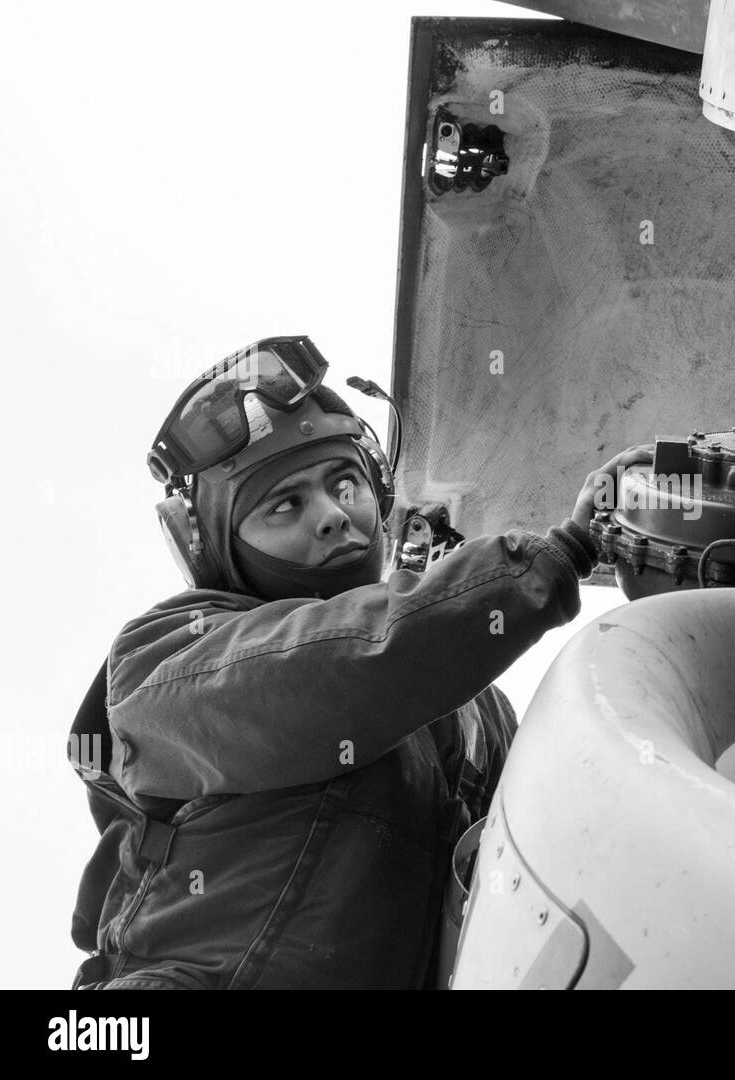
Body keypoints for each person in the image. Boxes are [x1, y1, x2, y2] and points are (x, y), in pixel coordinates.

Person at [67, 334, 650, 989]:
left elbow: (558, 849)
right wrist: (558, 554)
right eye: (284, 504)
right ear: (213, 550)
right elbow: (336, 667)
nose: (331, 517)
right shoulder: (168, 656)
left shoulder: (472, 714)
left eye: (345, 484)